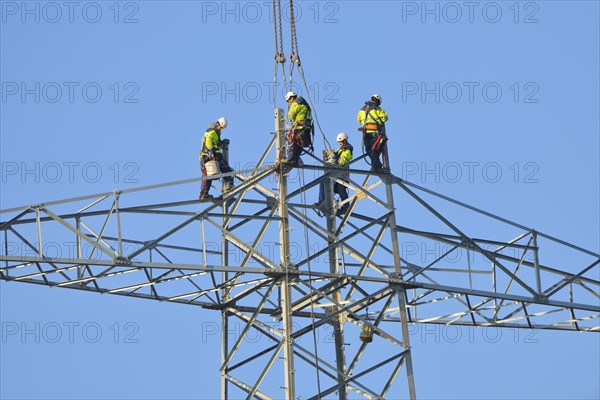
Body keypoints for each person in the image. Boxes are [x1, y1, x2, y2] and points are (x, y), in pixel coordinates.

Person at [315, 132, 353, 215]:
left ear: (345, 141)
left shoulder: (348, 150)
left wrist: (333, 158)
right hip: (336, 174)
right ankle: (322, 201)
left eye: (341, 142)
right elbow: (337, 159)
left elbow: (341, 162)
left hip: (342, 175)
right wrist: (331, 154)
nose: (340, 143)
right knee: (323, 182)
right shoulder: (341, 149)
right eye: (339, 142)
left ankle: (346, 206)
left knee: (341, 188)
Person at [199, 117, 234, 201]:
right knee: (225, 168)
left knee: (209, 176)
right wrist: (212, 151)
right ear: (218, 124)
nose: (221, 129)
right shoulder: (212, 131)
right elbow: (208, 141)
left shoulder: (215, 132)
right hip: (210, 156)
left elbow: (216, 143)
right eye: (221, 127)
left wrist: (222, 143)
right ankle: (229, 185)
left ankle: (204, 194)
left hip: (206, 157)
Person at [357, 94, 388, 172]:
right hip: (374, 133)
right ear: (378, 101)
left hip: (365, 134)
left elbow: (359, 120)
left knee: (369, 150)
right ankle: (376, 166)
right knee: (374, 149)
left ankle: (376, 164)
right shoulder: (378, 109)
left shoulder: (362, 109)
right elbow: (385, 118)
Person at [282, 91, 313, 165]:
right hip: (307, 127)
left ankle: (290, 159)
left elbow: (291, 114)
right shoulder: (305, 104)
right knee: (299, 144)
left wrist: (289, 111)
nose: (289, 103)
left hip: (299, 127)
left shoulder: (295, 103)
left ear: (292, 98)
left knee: (292, 141)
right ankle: (295, 159)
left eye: (289, 101)